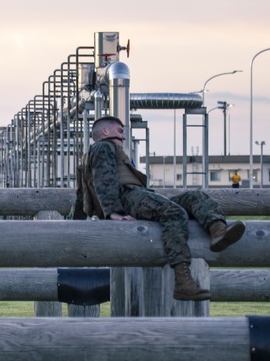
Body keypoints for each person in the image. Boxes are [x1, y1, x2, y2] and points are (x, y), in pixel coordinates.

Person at [70, 116, 245, 301]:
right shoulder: (103, 147)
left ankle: (218, 230)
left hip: (133, 196)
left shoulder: (97, 154)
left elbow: (82, 195)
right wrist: (114, 212)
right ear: (105, 132)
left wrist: (73, 223)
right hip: (127, 197)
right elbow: (104, 181)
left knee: (195, 196)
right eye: (120, 131)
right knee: (174, 212)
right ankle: (182, 280)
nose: (124, 137)